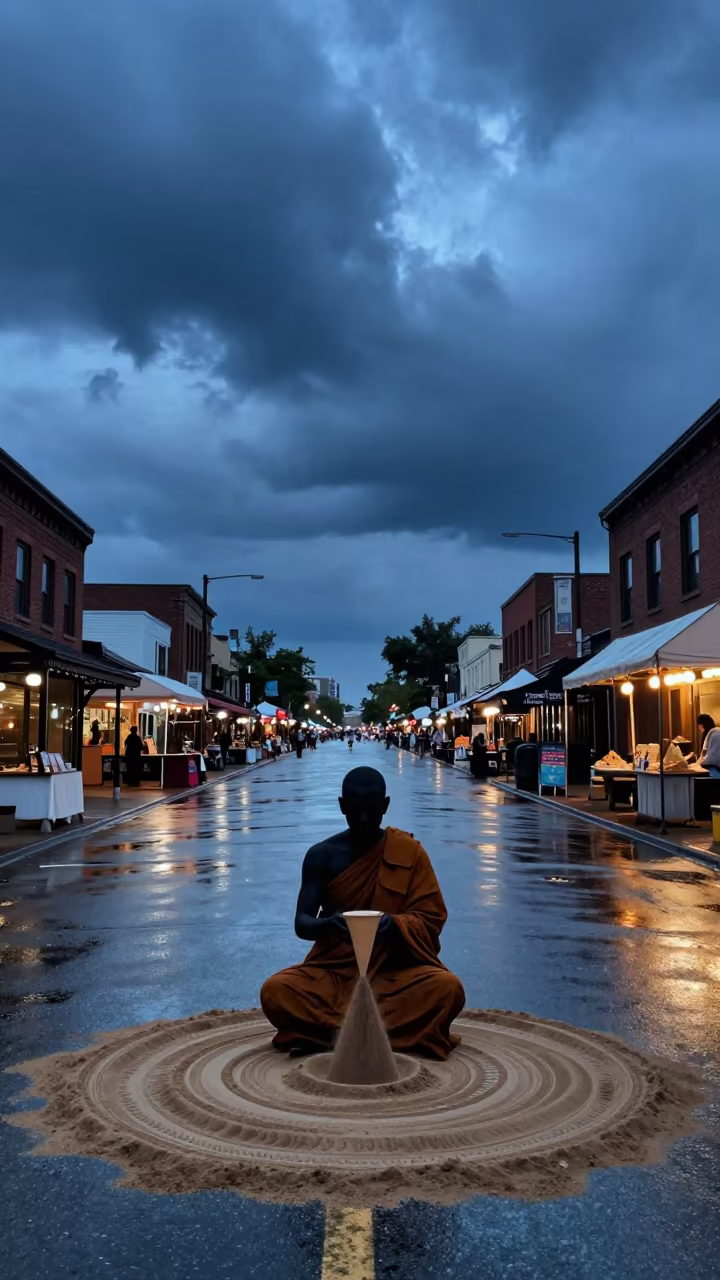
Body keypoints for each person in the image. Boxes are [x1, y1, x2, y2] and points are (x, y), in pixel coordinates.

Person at [261, 766, 465, 1059]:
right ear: (342, 806)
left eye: (372, 810)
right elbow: (302, 923)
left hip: (393, 973)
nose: (364, 819)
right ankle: (383, 1033)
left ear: (385, 806)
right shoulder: (322, 855)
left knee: (448, 989)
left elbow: (431, 917)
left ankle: (330, 1033)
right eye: (355, 810)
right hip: (334, 973)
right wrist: (329, 924)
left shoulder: (409, 852)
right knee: (276, 991)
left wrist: (396, 925)